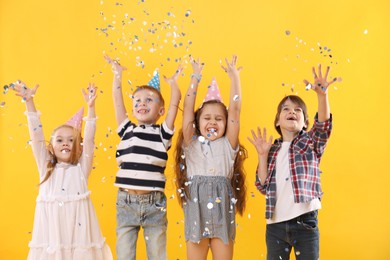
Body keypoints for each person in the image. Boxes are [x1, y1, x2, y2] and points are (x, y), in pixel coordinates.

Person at [11, 81, 113, 259]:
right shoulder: (46, 167)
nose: (65, 143)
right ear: (51, 148)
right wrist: (29, 102)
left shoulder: (81, 169)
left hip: (78, 235)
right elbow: (36, 137)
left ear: (79, 148)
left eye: (70, 140)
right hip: (51, 235)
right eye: (59, 140)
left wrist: (91, 108)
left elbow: (89, 140)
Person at [248, 64, 336, 259]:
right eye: (286, 109)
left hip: (305, 222)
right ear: (277, 121)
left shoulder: (309, 143)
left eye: (298, 110)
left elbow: (322, 127)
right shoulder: (272, 150)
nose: (292, 112)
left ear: (305, 122)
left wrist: (322, 96)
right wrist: (262, 156)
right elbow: (263, 186)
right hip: (275, 225)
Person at [104, 55, 182, 260]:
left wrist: (174, 86)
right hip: (125, 201)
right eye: (137, 100)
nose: (142, 103)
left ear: (161, 110)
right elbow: (116, 100)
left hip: (154, 203)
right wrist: (117, 75)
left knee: (157, 254)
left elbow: (175, 106)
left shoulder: (162, 133)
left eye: (149, 100)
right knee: (124, 254)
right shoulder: (126, 129)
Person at [174, 55, 247, 260]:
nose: (212, 122)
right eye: (207, 118)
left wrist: (235, 77)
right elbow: (187, 109)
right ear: (197, 122)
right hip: (196, 213)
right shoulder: (191, 144)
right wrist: (195, 78)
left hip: (223, 214)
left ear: (225, 124)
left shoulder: (227, 145)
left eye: (218, 119)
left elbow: (235, 109)